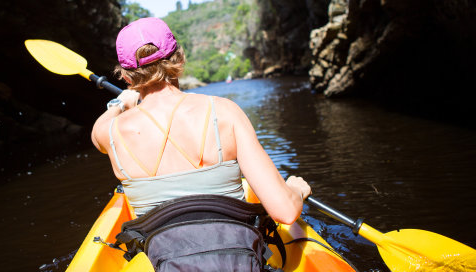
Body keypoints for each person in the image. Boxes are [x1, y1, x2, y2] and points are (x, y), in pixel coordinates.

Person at [91, 17, 311, 224]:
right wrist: (296, 190)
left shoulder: (110, 133)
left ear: (127, 77)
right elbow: (286, 212)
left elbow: (96, 132)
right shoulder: (225, 112)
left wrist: (119, 104)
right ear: (180, 58)